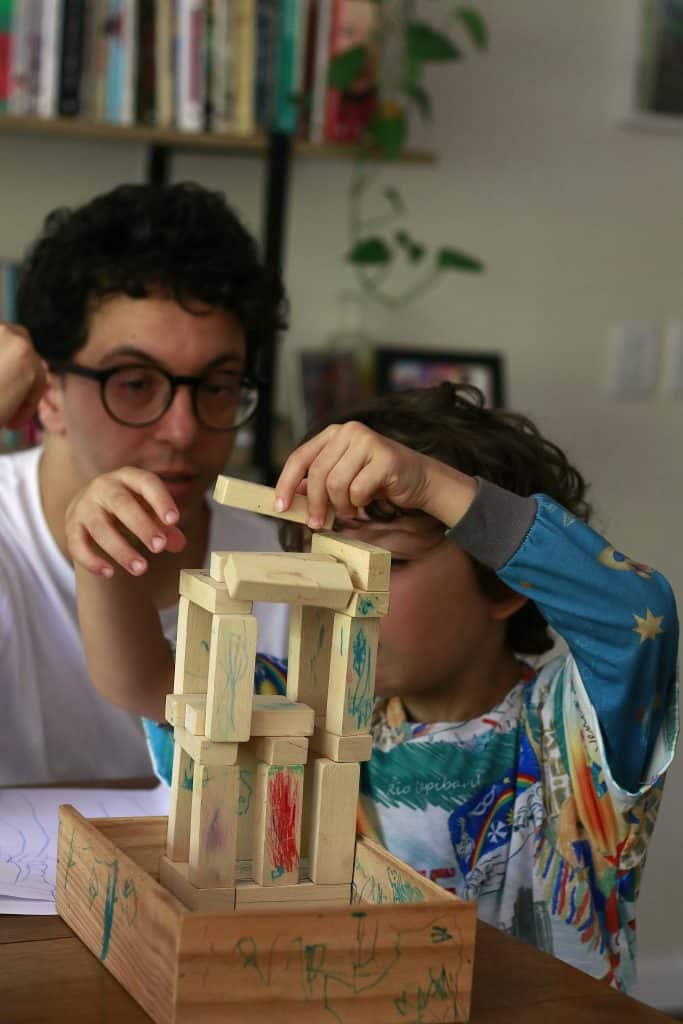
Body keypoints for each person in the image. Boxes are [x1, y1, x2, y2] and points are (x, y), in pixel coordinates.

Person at [68, 380, 678, 992]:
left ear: (503, 584)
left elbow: (635, 621)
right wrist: (98, 552)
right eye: (325, 561)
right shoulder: (311, 707)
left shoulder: (569, 727)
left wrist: (434, 487)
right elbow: (139, 678)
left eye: (386, 564)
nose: (344, 591)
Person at [0, 181, 290, 787]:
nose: (182, 431)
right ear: (48, 391)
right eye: (135, 383)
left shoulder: (282, 574)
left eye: (216, 386)